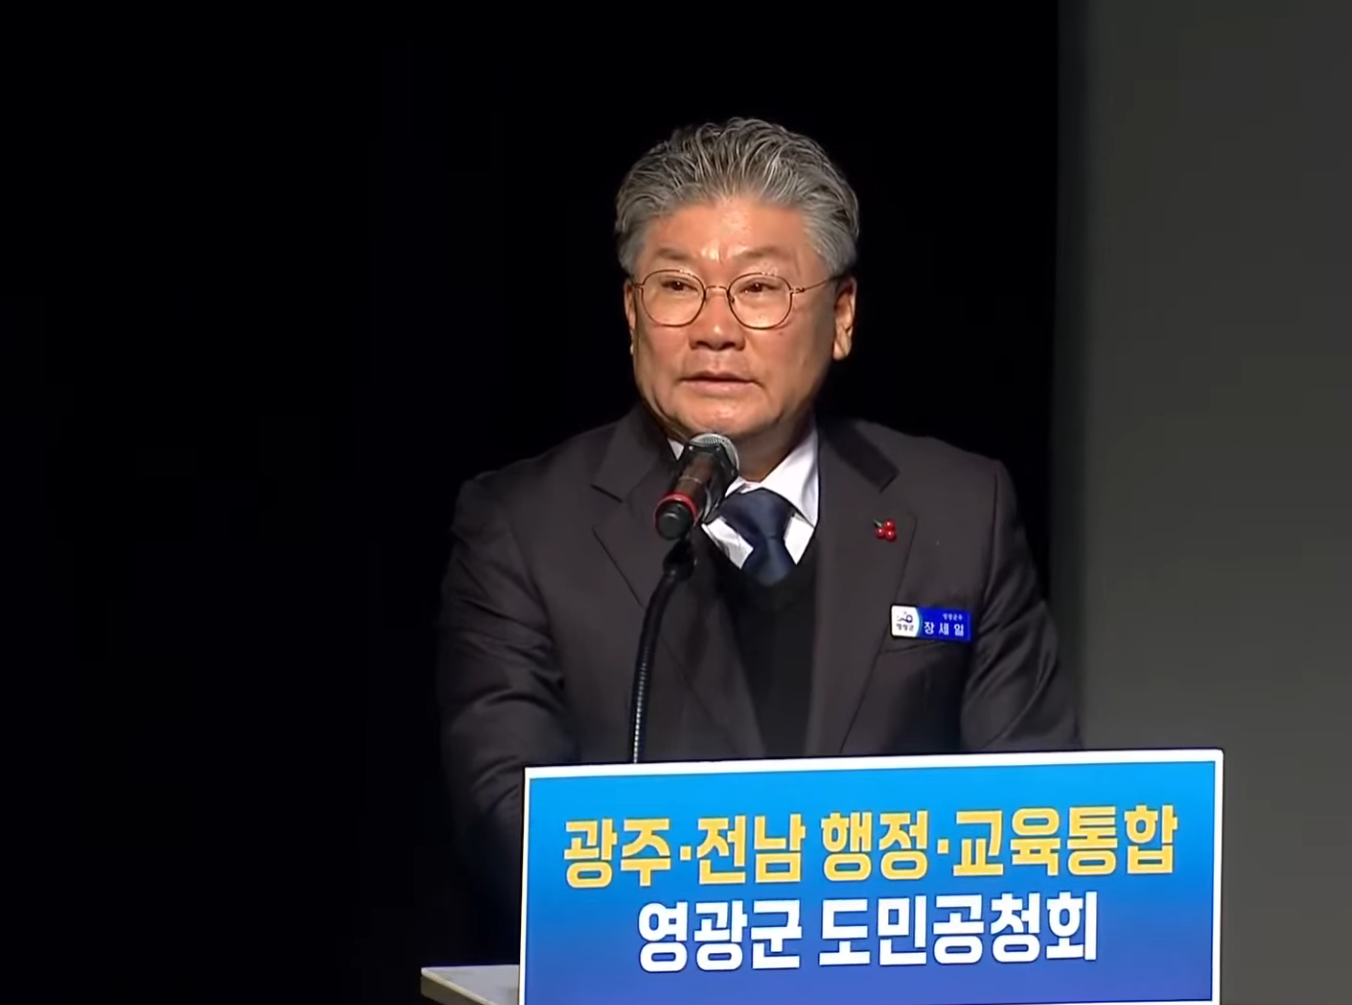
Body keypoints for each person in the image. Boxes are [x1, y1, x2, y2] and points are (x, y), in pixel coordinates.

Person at [435, 117, 1078, 917]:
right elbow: (507, 820)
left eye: (760, 289)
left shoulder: (959, 509)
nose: (715, 330)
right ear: (631, 314)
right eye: (676, 287)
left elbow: (1037, 810)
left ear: (841, 316)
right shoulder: (525, 526)